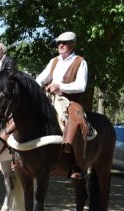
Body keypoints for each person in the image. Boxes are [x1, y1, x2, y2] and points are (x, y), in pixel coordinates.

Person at [35, 31, 91, 179]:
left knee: (76, 121)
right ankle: (18, 152)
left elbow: (81, 85)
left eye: (64, 43)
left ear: (72, 44)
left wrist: (60, 86)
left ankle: (75, 163)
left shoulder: (80, 62)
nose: (61, 45)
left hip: (70, 100)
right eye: (59, 42)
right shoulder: (54, 61)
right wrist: (34, 88)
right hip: (50, 97)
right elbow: (41, 78)